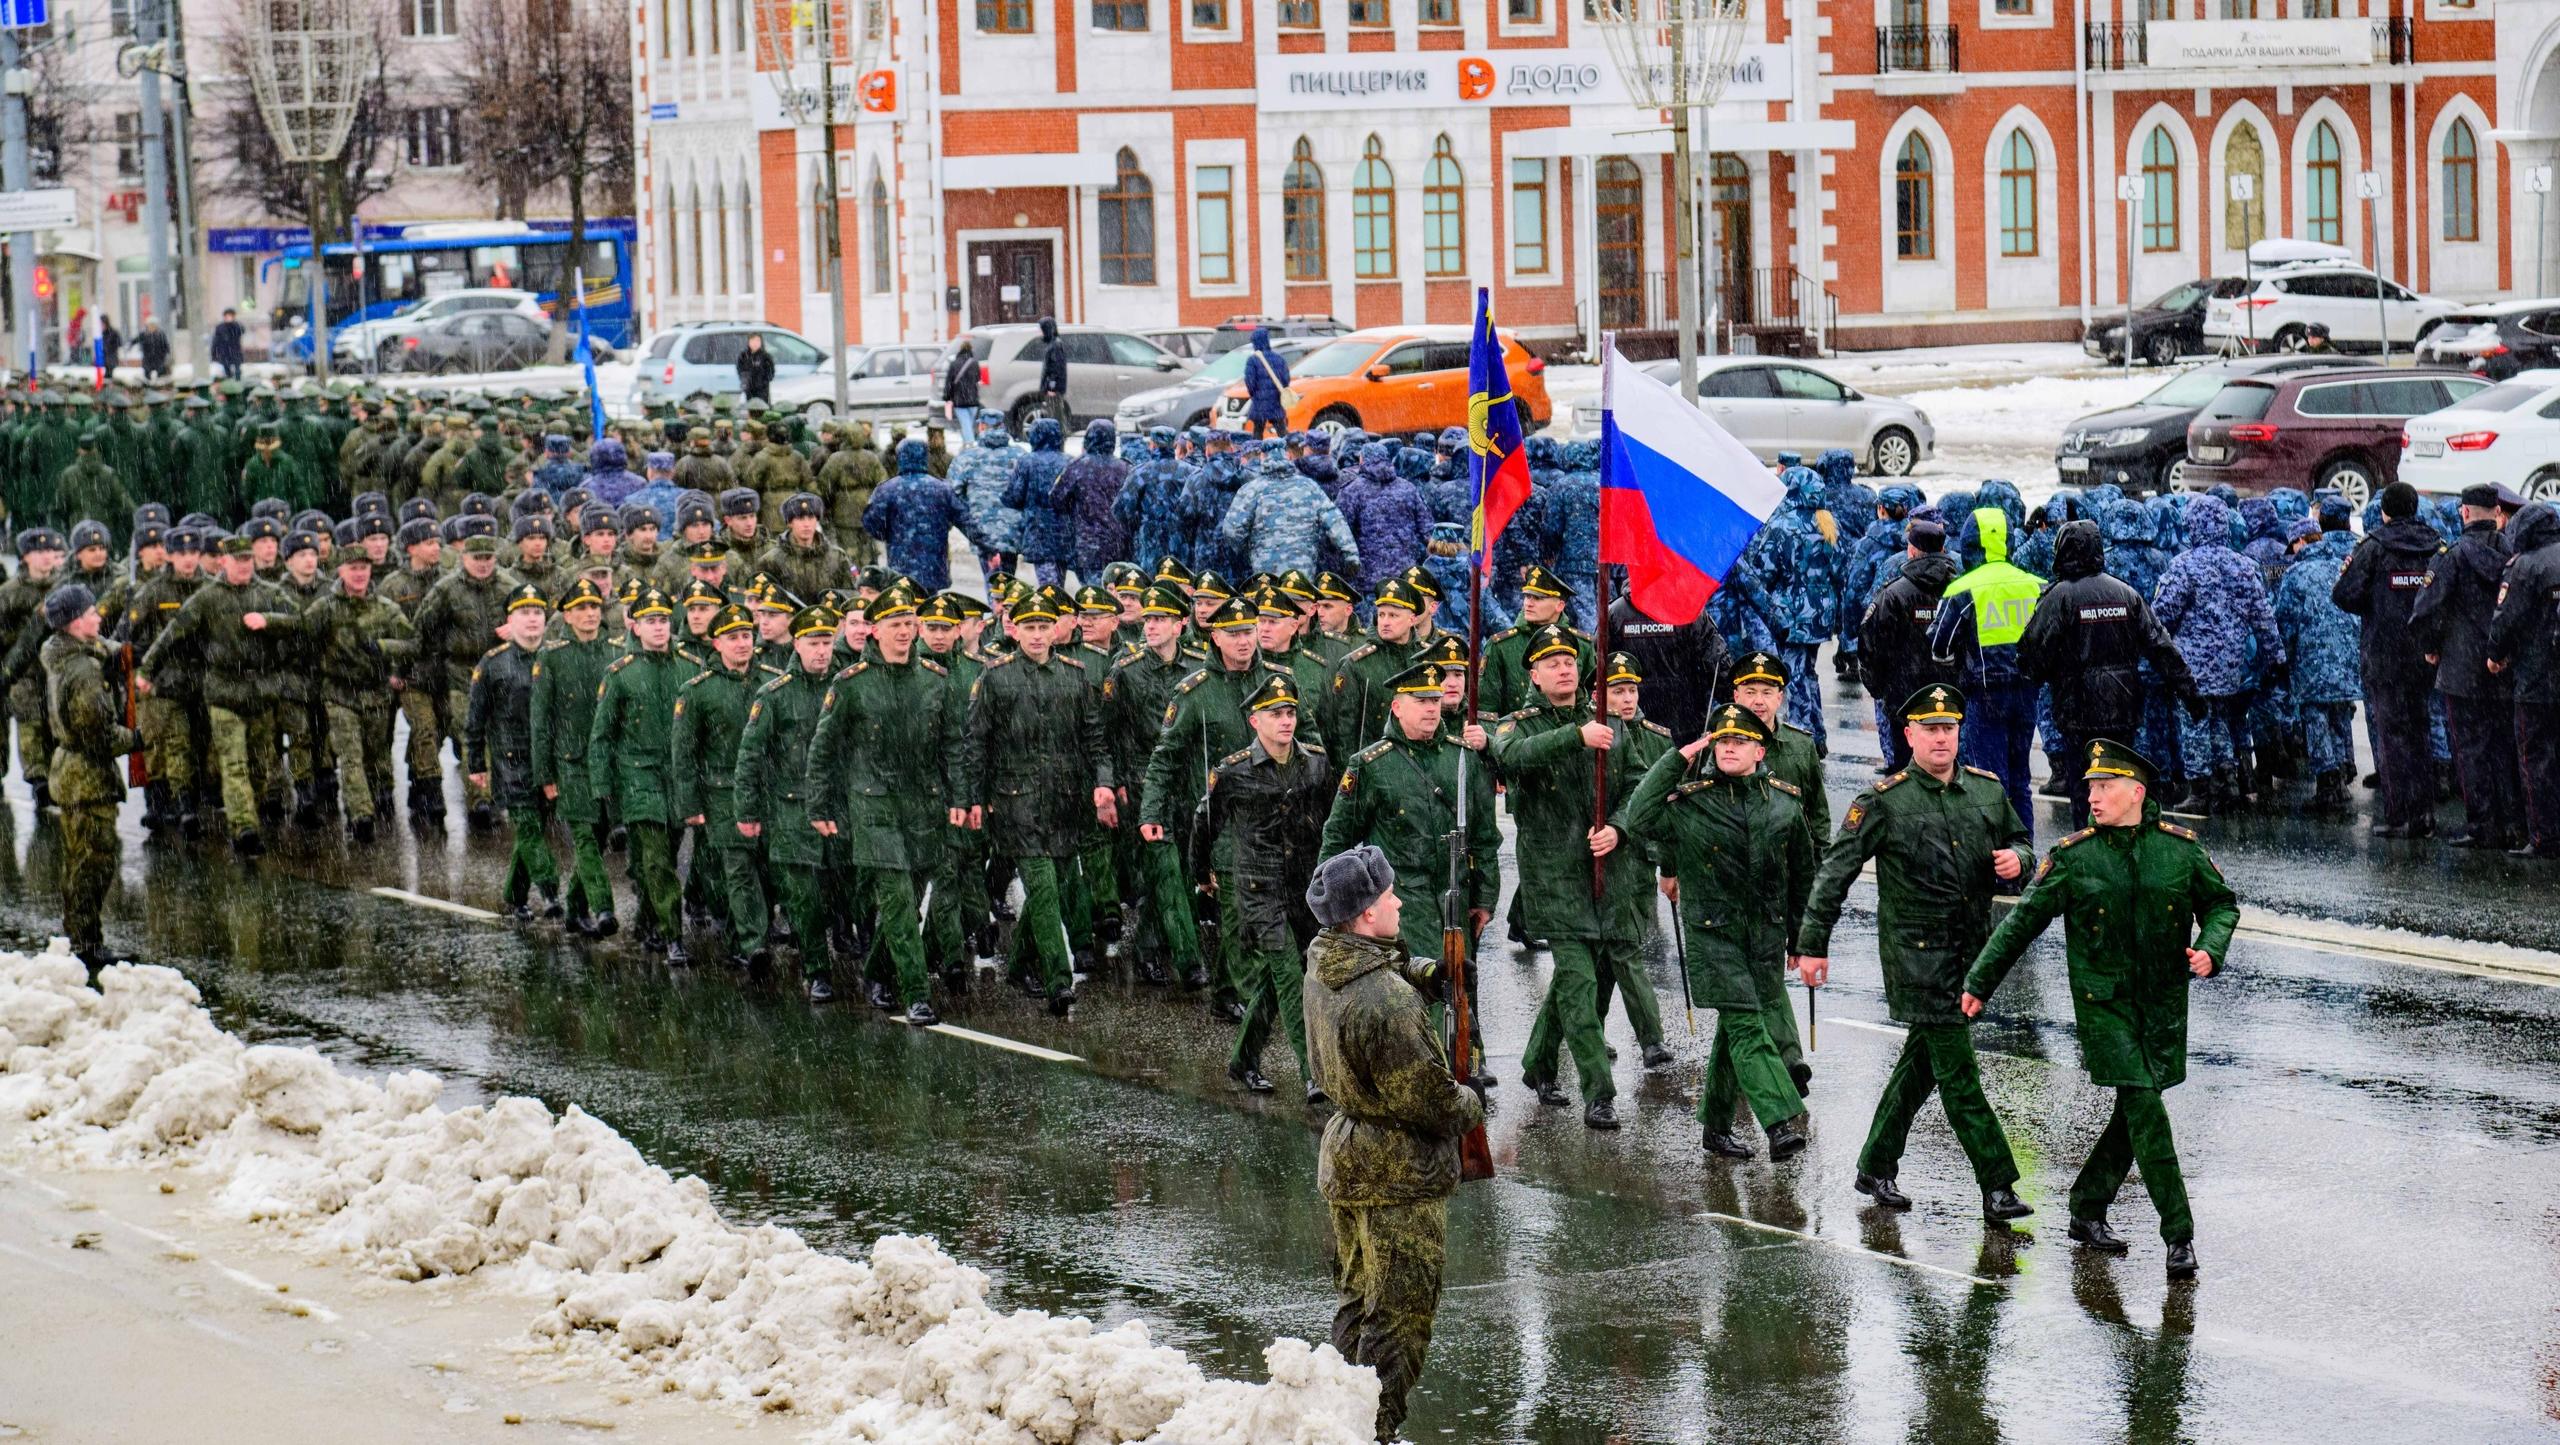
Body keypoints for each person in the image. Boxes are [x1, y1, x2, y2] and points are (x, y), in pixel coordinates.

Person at [1961, 739, 2237, 1280]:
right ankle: (2178, 1235)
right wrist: (1979, 982)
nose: (2093, 796)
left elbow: (2222, 904)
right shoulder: (2074, 857)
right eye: (2090, 787)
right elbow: (2021, 925)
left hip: (2161, 1008)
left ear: (2137, 792)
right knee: (2146, 1110)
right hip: (2104, 1009)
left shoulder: (2179, 851)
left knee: (2135, 1113)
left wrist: (2212, 949)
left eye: (2105, 787)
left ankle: (2087, 1206)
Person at [1794, 685, 2035, 1221]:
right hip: (1917, 957)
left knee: (1922, 1063)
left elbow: (2023, 842)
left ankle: (1875, 1164)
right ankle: (1997, 1183)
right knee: (1959, 1075)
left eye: (1949, 728)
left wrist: (2018, 860)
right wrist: (1812, 944)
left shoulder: (1986, 792)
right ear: (1909, 736)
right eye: (1930, 729)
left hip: (1972, 954)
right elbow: (1836, 871)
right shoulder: (1885, 801)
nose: (1941, 738)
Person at [1300, 842, 1484, 1445]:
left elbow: (1372, 974)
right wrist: (1472, 1097)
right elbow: (1431, 1101)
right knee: (1400, 1320)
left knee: (1358, 1301)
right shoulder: (1385, 1001)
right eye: (1388, 897)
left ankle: (1334, 1420)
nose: (1398, 902)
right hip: (1396, 1173)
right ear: (1365, 916)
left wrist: (1425, 971)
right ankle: (1371, 1432)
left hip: (1350, 1157)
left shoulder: (1325, 962)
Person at [1621, 703, 1816, 1158]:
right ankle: (1779, 1122)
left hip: (1764, 936)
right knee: (1747, 1026)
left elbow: (1803, 877)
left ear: (1760, 751)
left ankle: (1715, 1126)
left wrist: (1803, 939)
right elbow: (1638, 817)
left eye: (1741, 742)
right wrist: (1676, 759)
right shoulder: (1693, 800)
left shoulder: (1784, 804)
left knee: (1733, 1032)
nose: (1730, 748)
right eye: (1723, 741)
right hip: (1714, 935)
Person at [1489, 625, 1657, 1131]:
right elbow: (1510, 758)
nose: (1564, 668)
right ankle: (1598, 1093)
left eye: (1569, 660)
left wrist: (1619, 829)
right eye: (1552, 663)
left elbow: (1636, 784)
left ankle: (1538, 1064)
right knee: (1580, 983)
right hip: (1555, 875)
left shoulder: (1608, 721)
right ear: (1534, 676)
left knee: (1578, 976)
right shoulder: (1519, 725)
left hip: (1605, 870)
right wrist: (1575, 737)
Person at [1317, 659, 1500, 1083]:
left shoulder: (1462, 758)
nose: (1432, 708)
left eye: (1436, 700)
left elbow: (1486, 836)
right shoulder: (1371, 764)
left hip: (1454, 888)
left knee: (1462, 979)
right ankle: (1431, 1074)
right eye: (1421, 701)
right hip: (1402, 895)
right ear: (1396, 707)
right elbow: (1338, 840)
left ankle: (1469, 1059)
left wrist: (1486, 897)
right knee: (1422, 984)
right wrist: (1337, 911)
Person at [954, 584, 1114, 1016]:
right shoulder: (996, 677)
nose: (1038, 635)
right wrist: (973, 798)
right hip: (1016, 802)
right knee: (1041, 887)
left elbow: (1094, 740)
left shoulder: (1075, 675)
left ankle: (1020, 962)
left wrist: (1102, 782)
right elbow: (977, 744)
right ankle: (1058, 981)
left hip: (1065, 802)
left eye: (1044, 626)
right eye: (1030, 627)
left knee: (1058, 888)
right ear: (1014, 629)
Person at [804, 585, 955, 1016]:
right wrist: (820, 806)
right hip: (873, 806)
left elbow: (952, 745)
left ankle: (877, 970)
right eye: (895, 624)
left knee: (913, 891)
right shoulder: (851, 684)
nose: (905, 632)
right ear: (874, 630)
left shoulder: (933, 678)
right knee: (899, 901)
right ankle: (917, 994)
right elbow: (824, 748)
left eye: (910, 623)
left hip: (923, 804)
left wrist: (961, 797)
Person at [1202, 672, 1333, 1099]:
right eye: (1275, 713)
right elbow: (1203, 826)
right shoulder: (1234, 771)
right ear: (1255, 721)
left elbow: (1330, 821)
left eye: (1291, 712)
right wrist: (1201, 873)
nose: (1286, 721)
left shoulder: (1315, 762)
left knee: (1275, 982)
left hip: (1302, 887)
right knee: (1291, 977)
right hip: (1258, 888)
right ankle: (1313, 1073)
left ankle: (1243, 1059)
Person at [2018, 518, 2197, 827]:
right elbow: (2160, 645)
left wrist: (2041, 675)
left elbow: (2031, 652)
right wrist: (2189, 690)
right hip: (2122, 705)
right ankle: (2123, 841)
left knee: (2084, 786)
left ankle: (2088, 850)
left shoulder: (2059, 597)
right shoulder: (2125, 594)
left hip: (2078, 710)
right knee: (2119, 780)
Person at [2333, 482, 2448, 839]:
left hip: (2385, 654)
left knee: (2393, 736)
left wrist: (2377, 605)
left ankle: (2400, 815)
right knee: (2420, 731)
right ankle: (2425, 813)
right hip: (2425, 653)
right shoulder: (2436, 545)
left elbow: (2344, 593)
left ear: (2384, 511)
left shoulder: (2374, 547)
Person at [2412, 483, 2522, 848]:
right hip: (2504, 664)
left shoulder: (2452, 556)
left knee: (2471, 749)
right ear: (2496, 515)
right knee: (2504, 745)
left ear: (2464, 513)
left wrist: (2431, 647)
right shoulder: (2513, 553)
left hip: (2461, 668)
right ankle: (2511, 821)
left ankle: (2481, 824)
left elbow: (2428, 608)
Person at [1928, 505, 2045, 835]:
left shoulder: (1965, 588)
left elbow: (1939, 645)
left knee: (1988, 781)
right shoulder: (2034, 584)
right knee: (2020, 779)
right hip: (2026, 692)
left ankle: (1995, 863)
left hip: (1984, 693)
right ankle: (2021, 857)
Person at [590, 588, 691, 957]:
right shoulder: (620, 674)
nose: (659, 627)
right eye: (651, 621)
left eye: (664, 620)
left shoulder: (689, 666)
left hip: (678, 778)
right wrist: (604, 787)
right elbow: (602, 735)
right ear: (635, 625)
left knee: (668, 850)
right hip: (638, 777)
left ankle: (650, 918)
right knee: (655, 858)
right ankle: (673, 936)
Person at [41, 584, 136, 972]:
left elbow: (103, 646)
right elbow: (97, 734)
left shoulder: (63, 651)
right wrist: (137, 739)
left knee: (83, 860)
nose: (99, 617)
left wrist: (123, 653)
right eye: (92, 613)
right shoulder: (82, 672)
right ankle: (86, 945)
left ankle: (82, 937)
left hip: (73, 772)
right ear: (76, 621)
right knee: (92, 864)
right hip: (86, 777)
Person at [302, 539, 417, 842]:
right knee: (350, 755)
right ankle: (361, 816)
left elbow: (412, 642)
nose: (359, 574)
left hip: (376, 692)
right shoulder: (326, 608)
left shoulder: (386, 608)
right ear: (340, 570)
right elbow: (301, 633)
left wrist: (382, 648)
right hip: (339, 693)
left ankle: (381, 799)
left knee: (377, 756)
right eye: (353, 568)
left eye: (363, 568)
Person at [465, 584, 563, 924]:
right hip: (511, 760)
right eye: (524, 613)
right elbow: (475, 718)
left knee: (532, 829)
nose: (533, 619)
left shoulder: (555, 656)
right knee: (529, 827)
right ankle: (550, 892)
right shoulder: (494, 663)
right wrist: (476, 763)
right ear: (511, 620)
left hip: (548, 760)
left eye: (538, 612)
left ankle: (514, 895)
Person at [529, 577, 620, 935]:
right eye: (581, 608)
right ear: (566, 616)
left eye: (594, 607)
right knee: (584, 836)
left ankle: (574, 910)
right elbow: (541, 721)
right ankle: (603, 909)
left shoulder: (614, 651)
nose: (589, 614)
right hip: (571, 762)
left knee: (598, 837)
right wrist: (546, 775)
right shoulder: (551, 657)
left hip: (607, 761)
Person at [2486, 502, 2560, 857]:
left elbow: (2506, 619)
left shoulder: (2525, 566)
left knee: (2535, 757)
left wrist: (2495, 655)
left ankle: (2544, 837)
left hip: (2536, 677)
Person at [1241, 327, 1292, 441]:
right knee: (1282, 431)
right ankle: (1288, 452)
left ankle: (1256, 454)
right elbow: (1286, 380)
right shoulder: (1279, 359)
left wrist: (1256, 394)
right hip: (1276, 401)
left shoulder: (1253, 360)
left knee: (1257, 432)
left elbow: (1250, 382)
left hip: (1260, 402)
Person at [942, 338, 981, 443]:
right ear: (971, 350)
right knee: (968, 424)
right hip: (973, 399)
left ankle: (970, 445)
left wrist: (947, 396)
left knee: (965, 424)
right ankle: (967, 444)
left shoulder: (954, 364)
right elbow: (978, 379)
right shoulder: (975, 363)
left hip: (959, 400)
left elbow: (949, 382)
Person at [1034, 315, 1070, 424]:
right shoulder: (1053, 344)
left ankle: (1059, 437)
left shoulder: (1055, 346)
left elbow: (1056, 369)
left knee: (1055, 416)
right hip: (1052, 389)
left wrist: (1051, 387)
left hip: (1053, 390)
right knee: (1054, 415)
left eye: (1041, 330)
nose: (1040, 333)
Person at [735, 332, 775, 405]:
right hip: (749, 389)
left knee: (762, 408)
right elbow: (740, 370)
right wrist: (746, 380)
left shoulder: (766, 357)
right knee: (750, 407)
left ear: (761, 342)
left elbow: (771, 373)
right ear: (749, 342)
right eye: (753, 340)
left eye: (757, 340)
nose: (755, 343)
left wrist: (762, 382)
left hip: (762, 391)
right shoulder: (743, 356)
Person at [211, 308, 246, 380]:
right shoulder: (220, 327)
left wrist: (232, 323)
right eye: (226, 316)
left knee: (237, 371)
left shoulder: (236, 326)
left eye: (230, 316)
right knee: (227, 371)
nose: (228, 318)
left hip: (235, 351)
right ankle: (230, 382)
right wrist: (214, 353)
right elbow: (216, 340)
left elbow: (241, 331)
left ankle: (238, 382)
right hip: (224, 352)